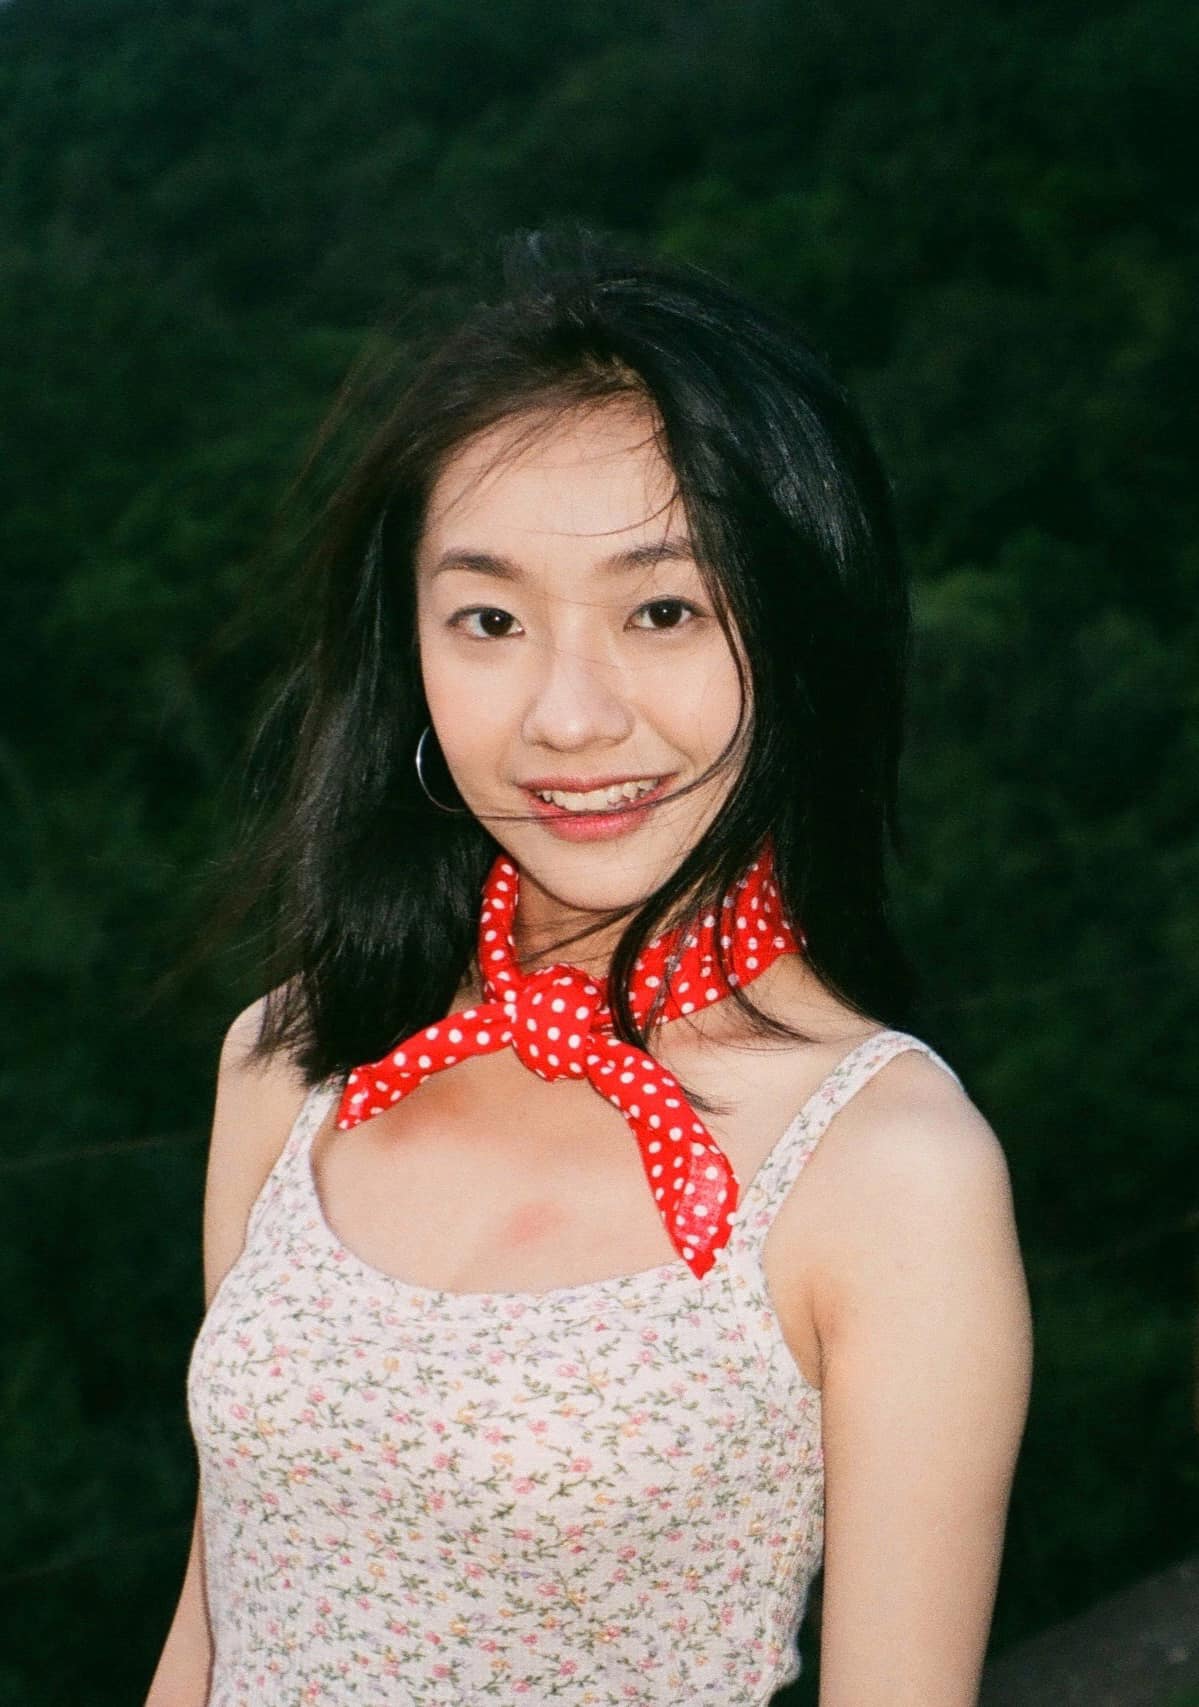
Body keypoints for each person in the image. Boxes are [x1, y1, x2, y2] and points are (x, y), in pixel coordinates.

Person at [146, 228, 1032, 1707]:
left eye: (662, 611)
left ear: (801, 629)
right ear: (410, 654)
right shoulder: (294, 1060)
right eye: (489, 620)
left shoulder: (887, 1171)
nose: (568, 716)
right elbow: (217, 1607)